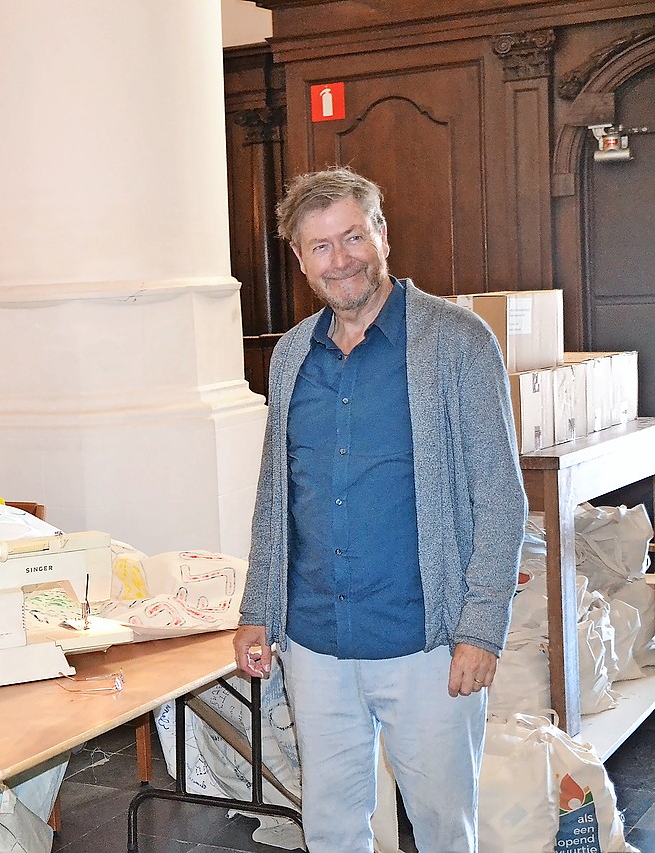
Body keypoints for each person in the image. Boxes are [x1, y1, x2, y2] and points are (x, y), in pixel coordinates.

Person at [232, 166, 526, 852]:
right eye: (321, 247)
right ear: (301, 261)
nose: (342, 259)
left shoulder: (457, 343)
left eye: (353, 236)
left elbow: (501, 496)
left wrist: (481, 629)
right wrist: (258, 608)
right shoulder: (290, 356)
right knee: (332, 829)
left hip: (424, 646)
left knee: (444, 831)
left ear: (382, 234)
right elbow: (277, 496)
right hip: (315, 646)